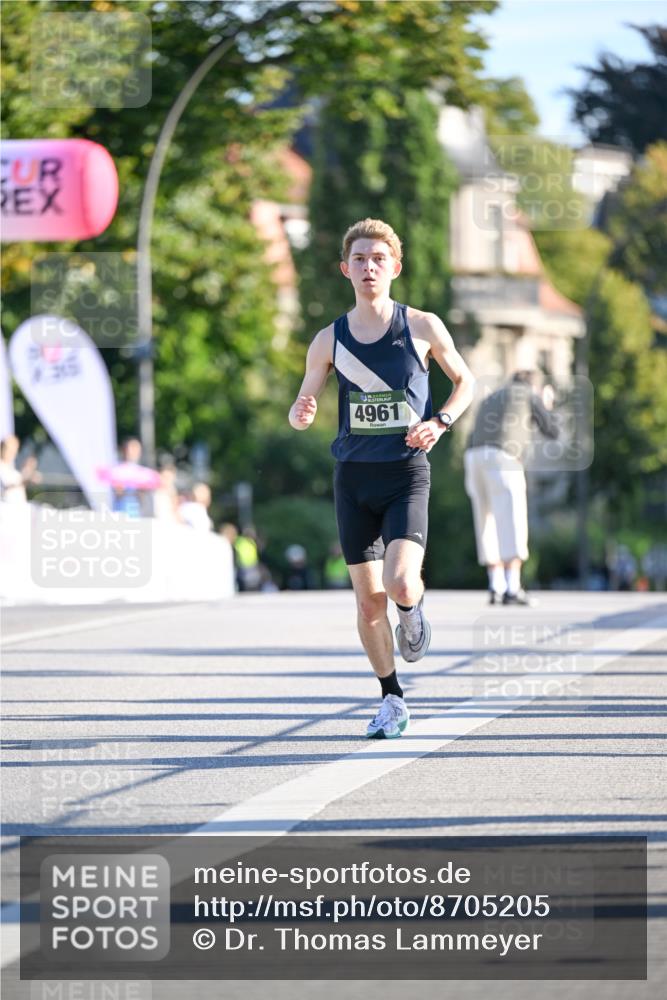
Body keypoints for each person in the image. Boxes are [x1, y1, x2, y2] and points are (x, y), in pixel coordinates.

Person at [288, 218, 475, 739]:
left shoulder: (421, 326)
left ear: (395, 267)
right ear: (345, 269)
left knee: (397, 583)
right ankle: (391, 699)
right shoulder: (329, 339)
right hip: (353, 478)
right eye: (360, 259)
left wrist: (440, 421)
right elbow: (302, 404)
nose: (369, 267)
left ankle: (412, 611)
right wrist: (301, 413)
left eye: (379, 259)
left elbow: (466, 381)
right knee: (368, 601)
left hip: (405, 472)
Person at [464, 370, 559, 605]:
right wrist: (546, 404)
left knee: (485, 520)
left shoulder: (492, 396)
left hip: (474, 457)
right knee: (512, 518)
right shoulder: (529, 394)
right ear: (534, 385)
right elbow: (552, 430)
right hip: (503, 457)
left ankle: (495, 586)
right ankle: (513, 587)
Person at [0, 435, 41, 503]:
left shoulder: (10, 466)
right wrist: (25, 479)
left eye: (14, 450)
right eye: (10, 450)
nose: (14, 453)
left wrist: (27, 473)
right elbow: (5, 486)